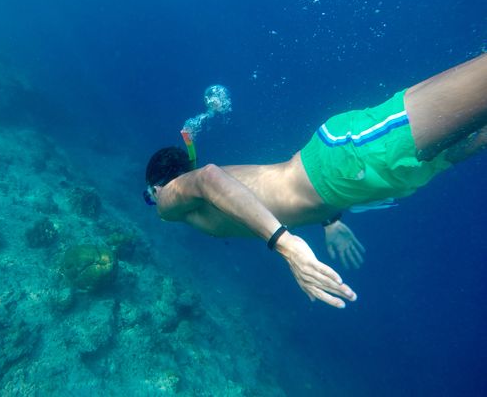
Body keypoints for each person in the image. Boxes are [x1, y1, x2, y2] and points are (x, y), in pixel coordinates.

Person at [144, 54, 487, 309]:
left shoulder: (168, 201)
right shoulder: (207, 203)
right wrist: (329, 219)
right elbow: (264, 193)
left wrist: (285, 244)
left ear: (157, 186)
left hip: (347, 161)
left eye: (150, 195)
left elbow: (207, 177)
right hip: (354, 179)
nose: (154, 203)